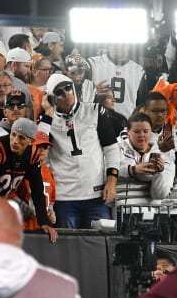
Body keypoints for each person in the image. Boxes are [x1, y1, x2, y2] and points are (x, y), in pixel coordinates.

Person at [40, 74, 121, 229]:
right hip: (63, 198)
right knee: (67, 249)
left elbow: (111, 147)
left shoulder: (95, 110)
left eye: (68, 88)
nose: (66, 94)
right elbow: (39, 152)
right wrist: (48, 113)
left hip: (96, 196)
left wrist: (112, 180)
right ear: (51, 97)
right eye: (59, 92)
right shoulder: (46, 121)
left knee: (101, 247)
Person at [0, 118, 57, 240]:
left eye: (21, 138)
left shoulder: (32, 155)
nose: (15, 141)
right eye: (13, 135)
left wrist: (44, 222)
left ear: (31, 141)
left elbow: (38, 190)